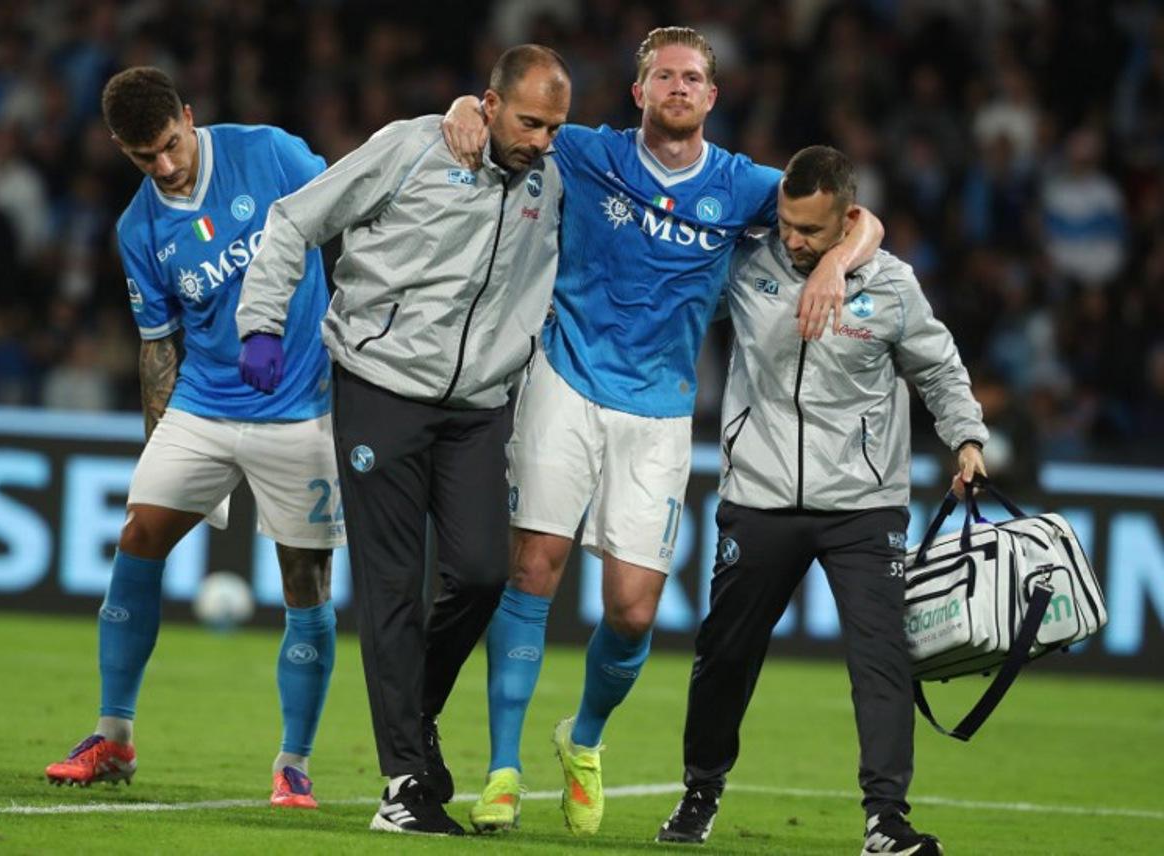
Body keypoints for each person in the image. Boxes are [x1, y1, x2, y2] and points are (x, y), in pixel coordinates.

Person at [440, 27, 884, 836]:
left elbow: (862, 220)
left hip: (661, 409)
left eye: (692, 78)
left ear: (712, 98)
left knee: (635, 611)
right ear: (639, 91)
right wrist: (467, 106)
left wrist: (831, 264)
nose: (678, 87)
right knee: (532, 567)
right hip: (564, 379)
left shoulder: (746, 185)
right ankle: (502, 769)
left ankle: (582, 740)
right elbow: (506, 118)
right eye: (663, 76)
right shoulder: (584, 153)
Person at [236, 45, 571, 836]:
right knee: (392, 584)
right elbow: (295, 220)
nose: (543, 140)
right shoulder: (412, 147)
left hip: (480, 404)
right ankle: (406, 784)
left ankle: (411, 714)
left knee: (485, 574)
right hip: (380, 388)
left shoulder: (552, 179)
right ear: (487, 106)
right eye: (529, 122)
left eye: (556, 127)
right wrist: (260, 320)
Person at [654, 146, 988, 854]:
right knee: (725, 652)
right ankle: (700, 790)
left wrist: (967, 439)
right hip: (761, 497)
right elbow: (673, 290)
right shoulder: (749, 265)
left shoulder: (892, 286)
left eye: (811, 231)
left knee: (882, 659)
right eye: (787, 225)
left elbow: (939, 367)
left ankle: (886, 820)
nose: (795, 241)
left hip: (863, 505)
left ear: (848, 220)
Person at [44, 67, 343, 810]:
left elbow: (354, 208)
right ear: (122, 148)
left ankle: (294, 763)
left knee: (305, 583)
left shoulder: (269, 152)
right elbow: (158, 344)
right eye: (145, 157)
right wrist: (158, 444)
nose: (166, 167)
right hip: (204, 404)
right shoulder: (138, 228)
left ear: (188, 114)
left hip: (300, 405)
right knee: (140, 531)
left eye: (171, 145)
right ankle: (114, 736)